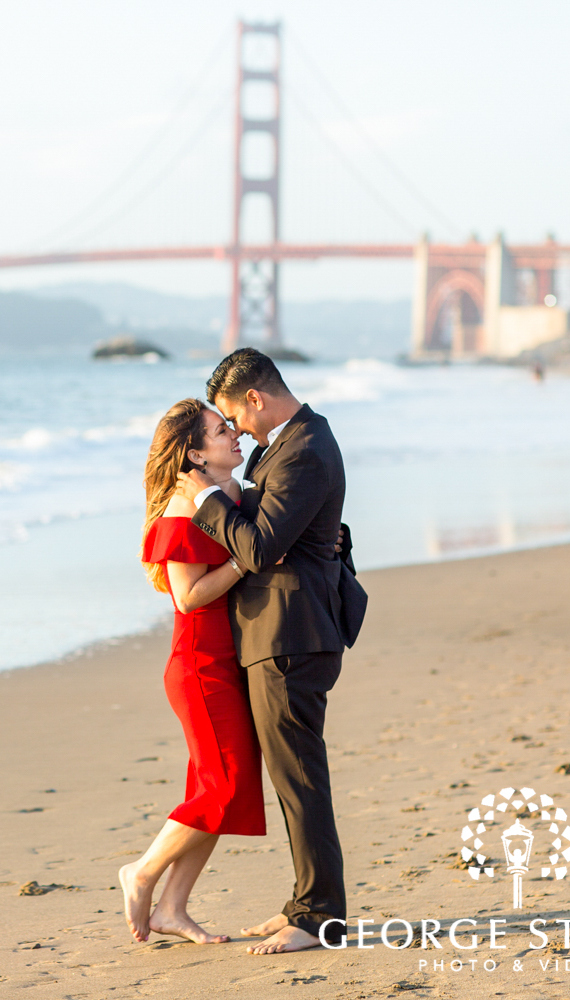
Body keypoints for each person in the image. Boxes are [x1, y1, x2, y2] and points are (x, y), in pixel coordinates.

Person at [181, 348, 366, 955]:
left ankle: (320, 919)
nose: (234, 430)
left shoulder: (306, 447)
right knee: (294, 780)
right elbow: (293, 531)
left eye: (234, 416)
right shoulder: (284, 447)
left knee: (301, 780)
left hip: (292, 636)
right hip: (282, 632)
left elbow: (259, 549)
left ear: (256, 398)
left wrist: (207, 497)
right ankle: (305, 904)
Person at [119, 398, 266, 944]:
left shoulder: (228, 495)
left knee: (218, 788)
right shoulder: (184, 510)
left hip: (228, 663)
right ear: (195, 453)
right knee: (223, 790)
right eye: (218, 429)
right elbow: (189, 595)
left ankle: (172, 909)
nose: (233, 433)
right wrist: (243, 558)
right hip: (200, 669)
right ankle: (143, 873)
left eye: (229, 425)